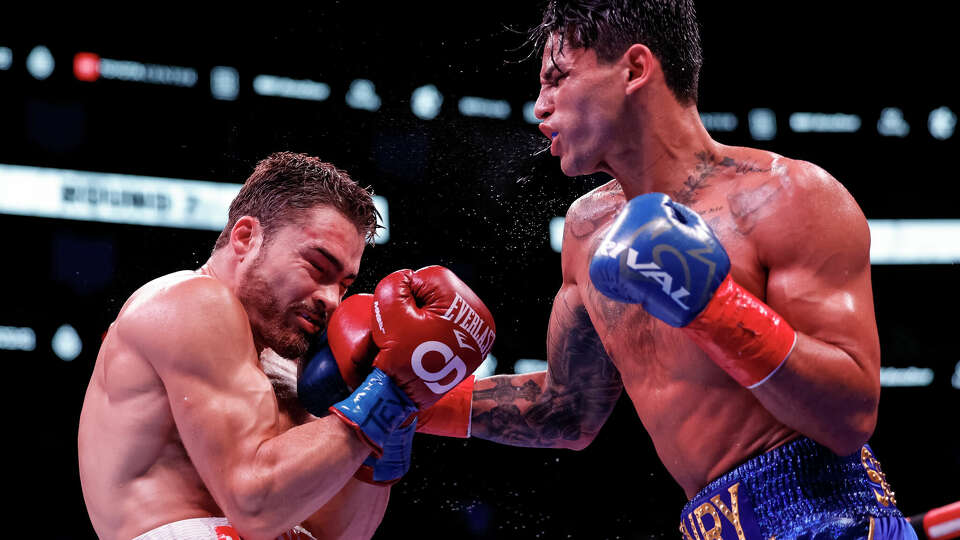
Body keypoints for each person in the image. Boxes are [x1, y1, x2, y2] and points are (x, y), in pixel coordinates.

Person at [415, 2, 917, 538]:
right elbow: (565, 411)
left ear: (634, 69)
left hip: (832, 520)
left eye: (557, 79)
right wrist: (407, 401)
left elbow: (849, 419)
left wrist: (713, 305)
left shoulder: (786, 197)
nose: (540, 106)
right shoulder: (587, 231)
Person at [78, 151, 495, 540]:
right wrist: (386, 393)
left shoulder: (301, 363)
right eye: (318, 266)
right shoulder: (191, 302)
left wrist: (396, 410)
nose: (332, 300)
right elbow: (255, 506)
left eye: (345, 284)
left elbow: (346, 532)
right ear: (246, 237)